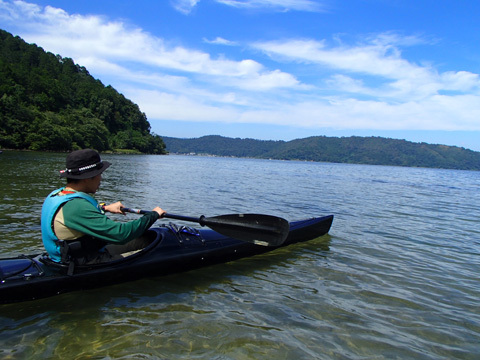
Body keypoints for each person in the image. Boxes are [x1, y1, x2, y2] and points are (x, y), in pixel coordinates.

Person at [41, 149, 166, 265]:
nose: (101, 178)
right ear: (88, 178)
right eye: (99, 174)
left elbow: (78, 216)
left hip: (74, 255)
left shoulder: (58, 195)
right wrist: (153, 215)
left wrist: (105, 208)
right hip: (84, 262)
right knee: (156, 252)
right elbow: (121, 234)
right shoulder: (76, 206)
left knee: (144, 240)